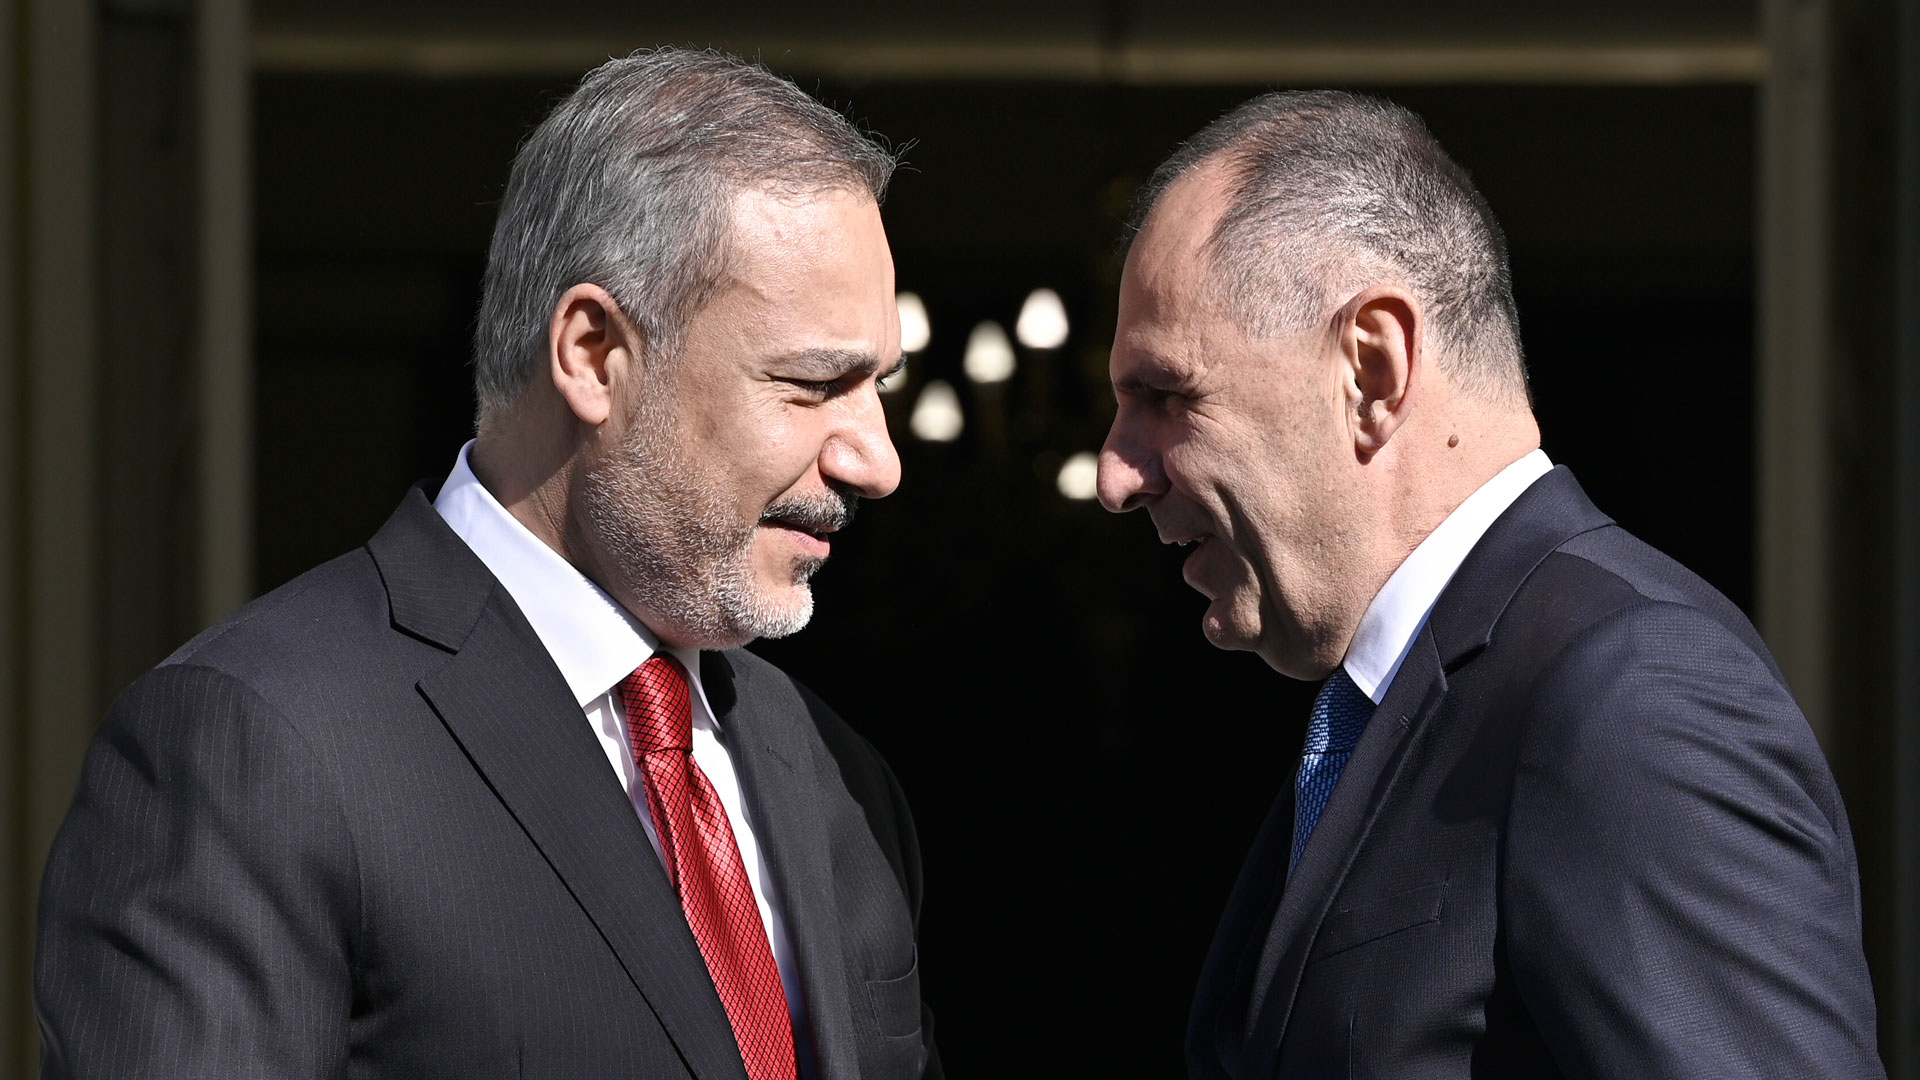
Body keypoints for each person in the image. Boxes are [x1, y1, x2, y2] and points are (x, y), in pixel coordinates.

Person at [38, 48, 937, 1080]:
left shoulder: (831, 773)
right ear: (594, 354)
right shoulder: (255, 746)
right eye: (813, 384)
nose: (877, 462)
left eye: (880, 385)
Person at [1097, 90, 1884, 1078]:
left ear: (1372, 369)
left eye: (1167, 395)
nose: (1116, 475)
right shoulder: (1403, 701)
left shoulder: (1632, 695)